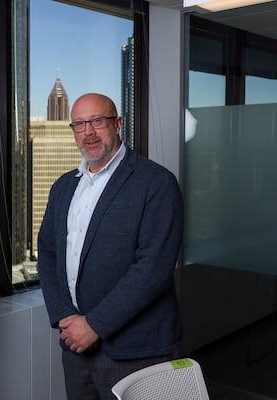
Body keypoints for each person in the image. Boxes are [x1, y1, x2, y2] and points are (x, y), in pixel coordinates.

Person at [37, 93, 183, 400]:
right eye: (79, 124)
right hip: (75, 347)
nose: (88, 132)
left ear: (117, 124)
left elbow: (153, 268)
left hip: (136, 349)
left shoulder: (156, 182)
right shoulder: (63, 186)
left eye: (97, 122)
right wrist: (64, 316)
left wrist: (94, 325)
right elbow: (48, 254)